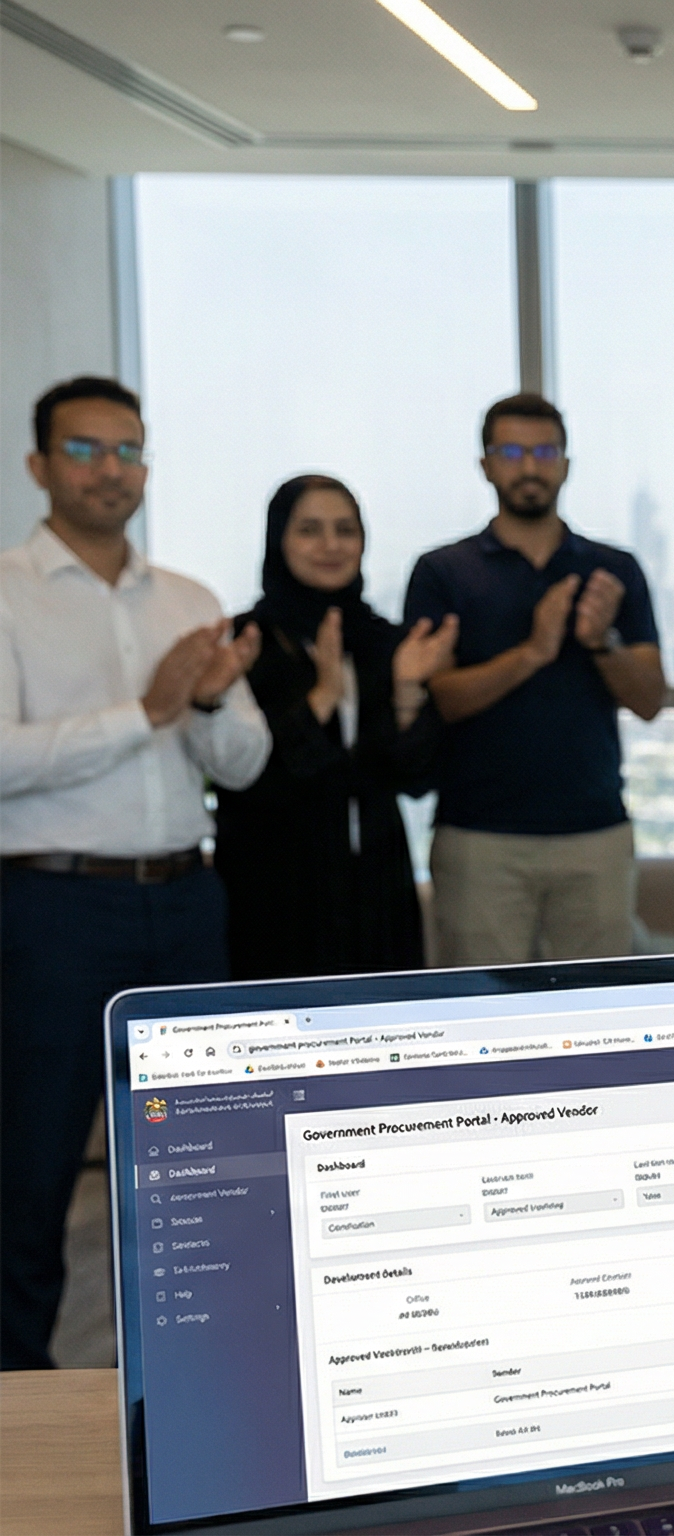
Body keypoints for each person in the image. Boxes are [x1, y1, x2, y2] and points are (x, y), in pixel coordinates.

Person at [1, 376, 269, 1368]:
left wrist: (202, 707)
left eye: (128, 450)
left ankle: (199, 1386)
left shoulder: (191, 601)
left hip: (187, 902)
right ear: (39, 465)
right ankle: (19, 1405)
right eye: (85, 449)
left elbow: (247, 761)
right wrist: (147, 712)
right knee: (32, 1173)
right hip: (54, 910)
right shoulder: (6, 591)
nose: (110, 469)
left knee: (194, 1177)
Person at [404, 394, 665, 966]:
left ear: (566, 464)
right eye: (512, 451)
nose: (529, 466)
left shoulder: (612, 570)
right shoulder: (443, 571)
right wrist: (534, 650)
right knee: (479, 1025)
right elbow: (440, 698)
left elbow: (649, 699)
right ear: (486, 465)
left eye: (545, 451)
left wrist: (601, 641)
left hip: (594, 833)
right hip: (480, 840)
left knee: (602, 1025)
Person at [214, 475, 460, 979]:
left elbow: (415, 779)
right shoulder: (244, 644)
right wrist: (321, 698)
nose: (330, 545)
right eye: (309, 529)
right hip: (273, 891)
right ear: (278, 539)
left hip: (376, 889)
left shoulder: (384, 643)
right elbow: (249, 778)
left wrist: (410, 695)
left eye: (345, 530)